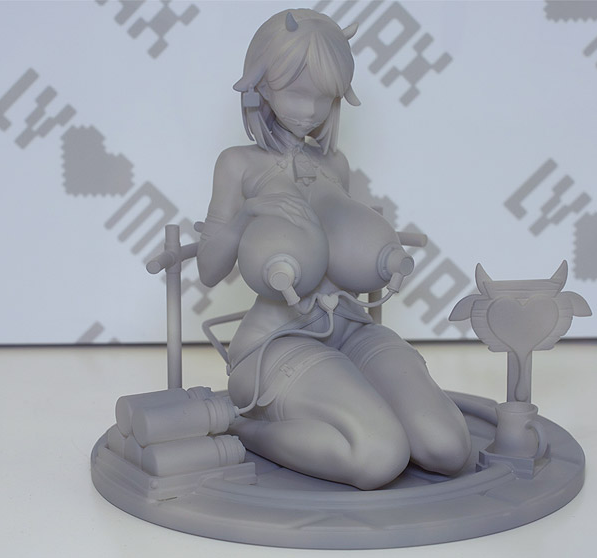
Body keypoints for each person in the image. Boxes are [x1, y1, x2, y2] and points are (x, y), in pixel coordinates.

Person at [197, 9, 470, 490]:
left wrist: (382, 254)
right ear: (261, 87)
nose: (309, 110)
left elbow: (344, 245)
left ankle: (361, 403)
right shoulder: (238, 165)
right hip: (275, 343)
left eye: (323, 97)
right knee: (377, 455)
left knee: (447, 446)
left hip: (350, 327)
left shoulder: (335, 164)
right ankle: (247, 429)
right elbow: (207, 269)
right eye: (296, 92)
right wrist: (246, 215)